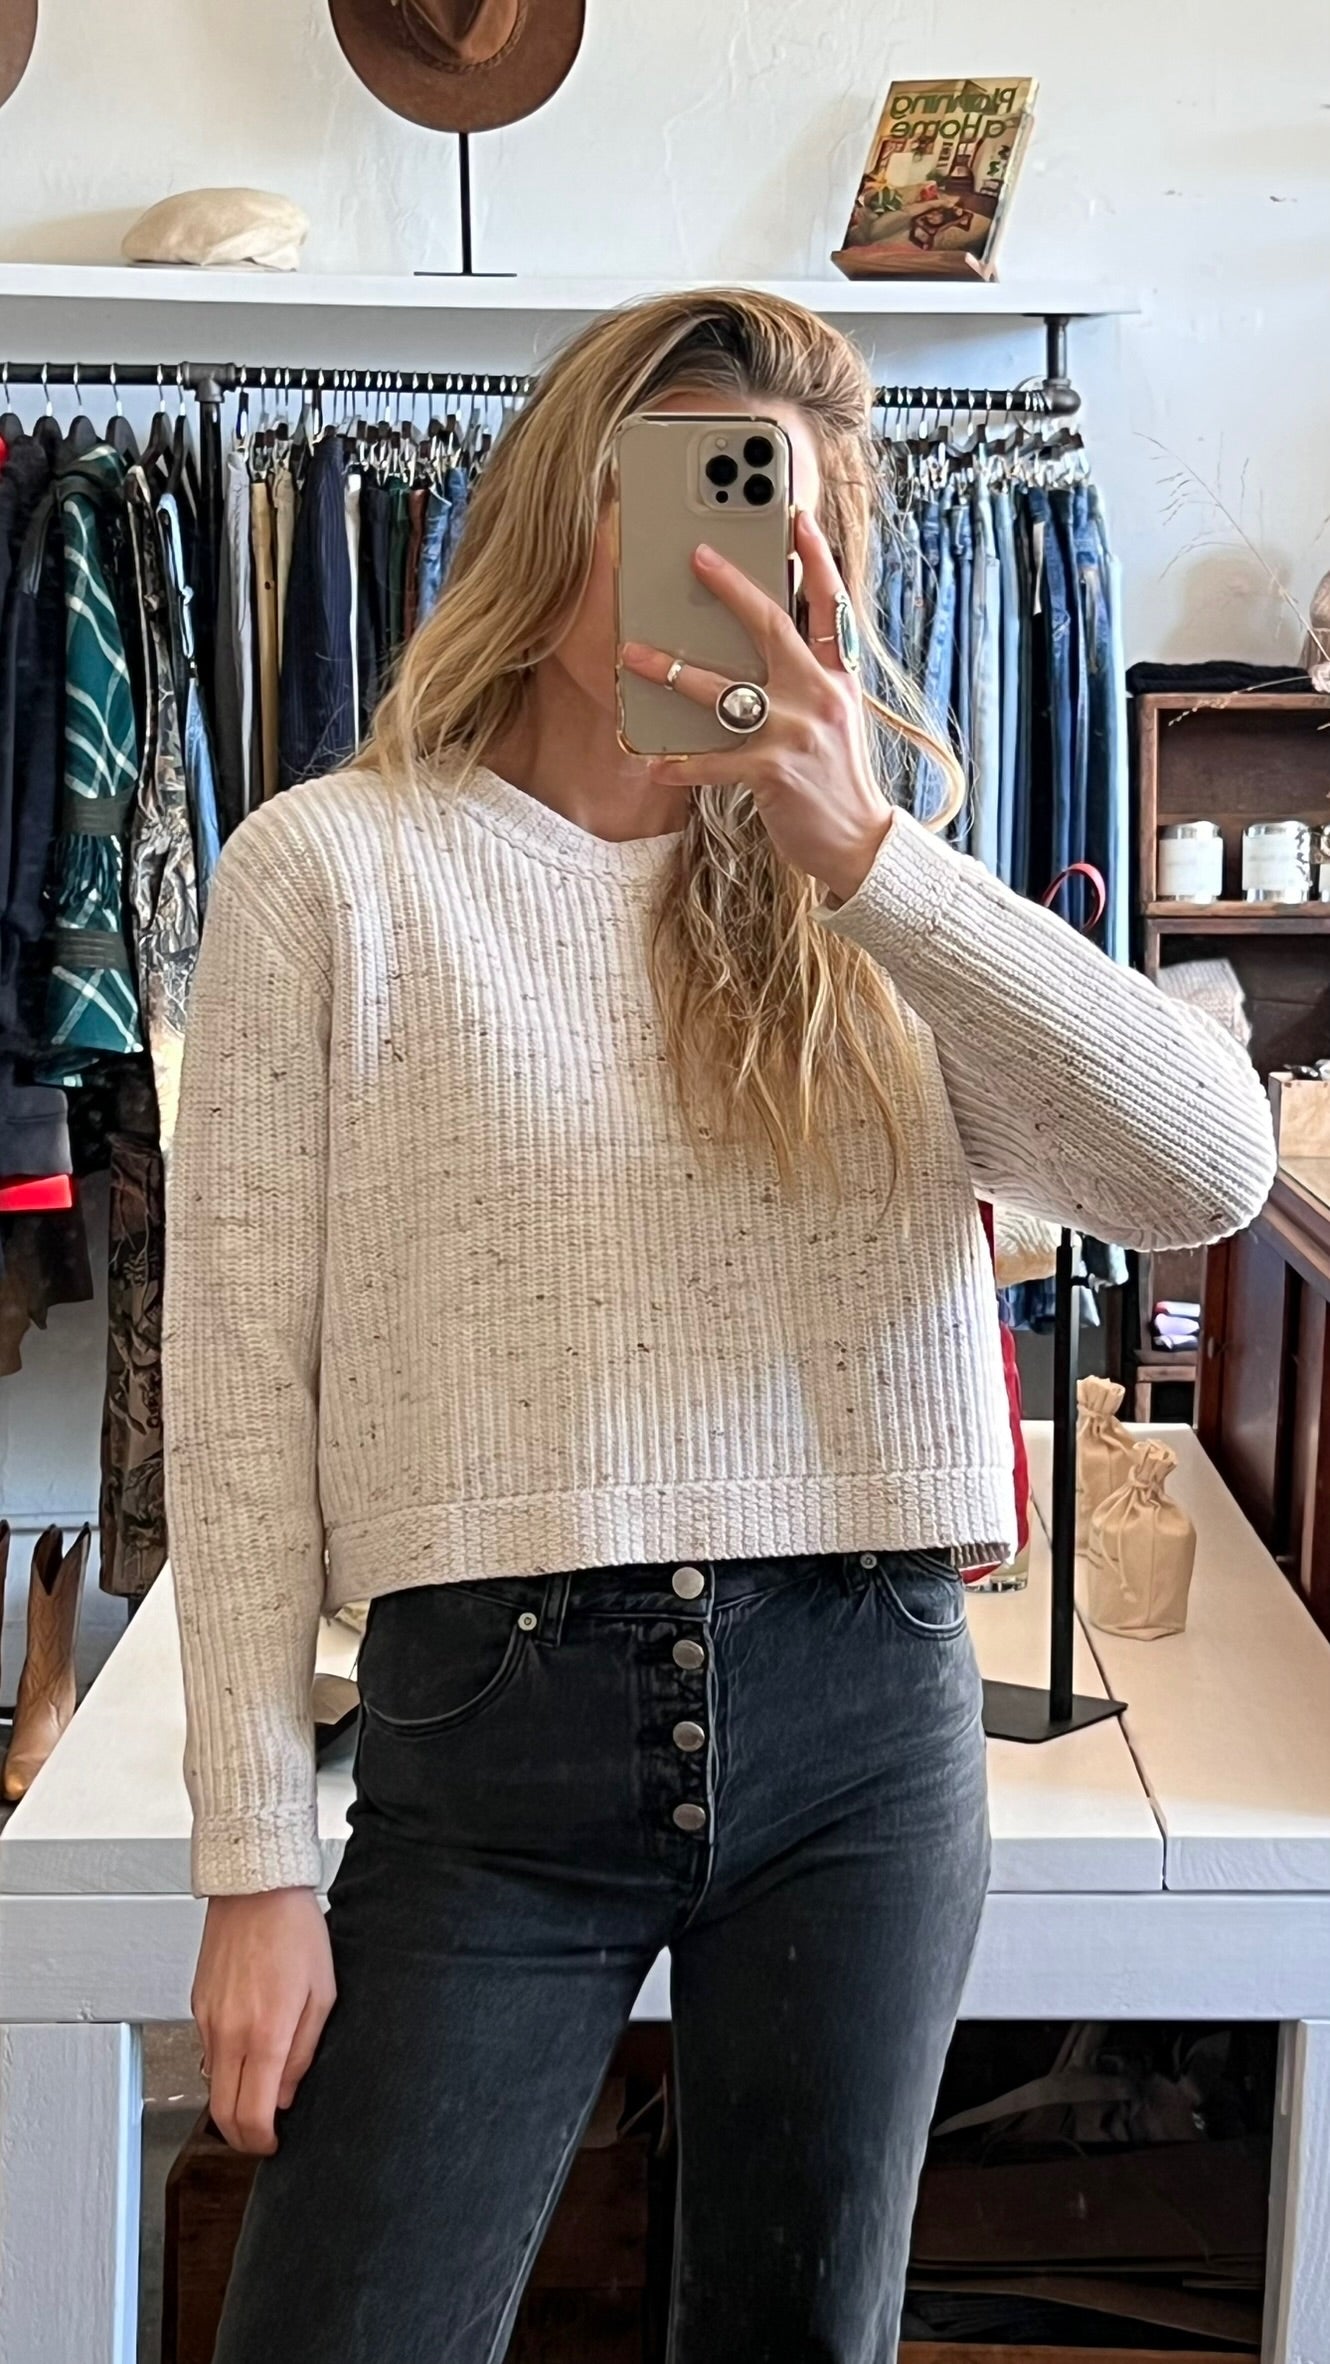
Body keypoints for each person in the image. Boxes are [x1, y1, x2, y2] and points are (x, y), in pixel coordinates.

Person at [162, 287, 1275, 2363]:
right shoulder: (331, 873)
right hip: (486, 1731)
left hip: (863, 1711)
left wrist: (867, 855)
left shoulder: (870, 901)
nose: (721, 564)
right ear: (551, 508)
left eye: (778, 522)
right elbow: (236, 1395)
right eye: (678, 495)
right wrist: (251, 1859)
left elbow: (1205, 1170)